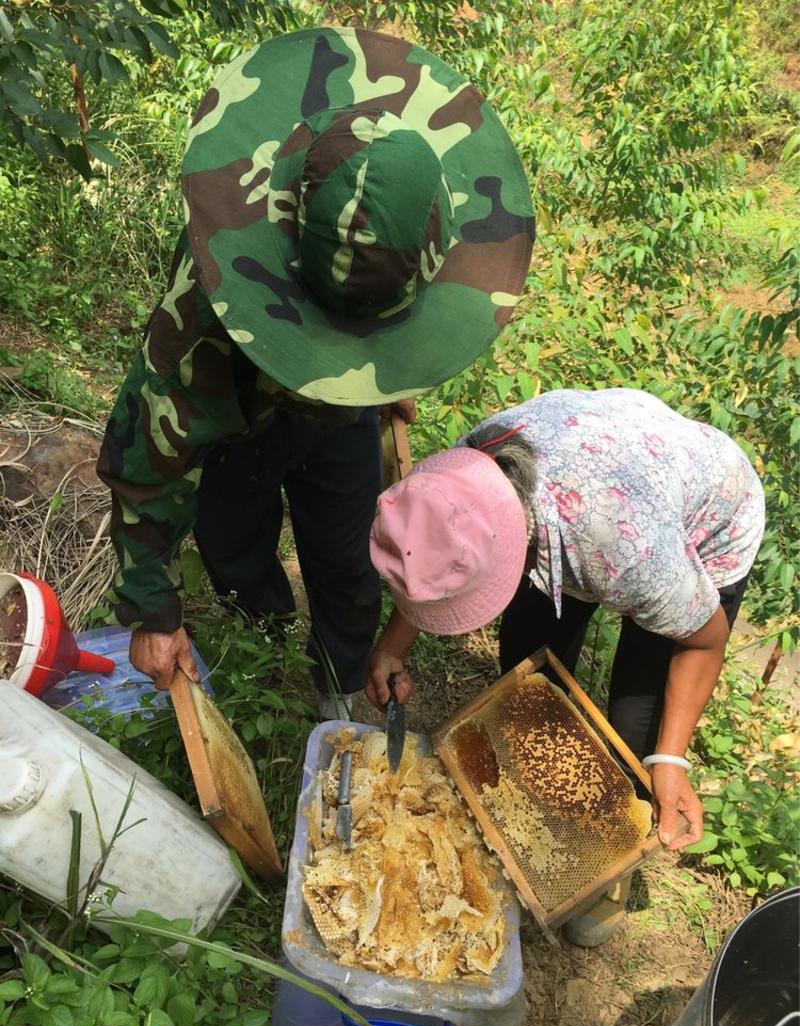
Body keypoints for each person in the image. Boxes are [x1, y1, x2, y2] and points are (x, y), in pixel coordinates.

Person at [96, 27, 534, 715]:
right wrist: (152, 610)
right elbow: (144, 461)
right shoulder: (204, 322)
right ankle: (260, 652)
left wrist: (387, 382)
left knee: (348, 553)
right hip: (245, 408)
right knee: (234, 543)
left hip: (341, 418)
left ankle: (337, 685)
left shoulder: (416, 203)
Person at [366, 387, 765, 943]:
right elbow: (432, 567)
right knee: (528, 667)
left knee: (635, 723)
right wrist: (393, 648)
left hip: (696, 516)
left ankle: (609, 859)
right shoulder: (461, 480)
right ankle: (537, 797)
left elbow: (703, 642)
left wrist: (670, 757)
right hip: (597, 475)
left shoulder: (626, 554)